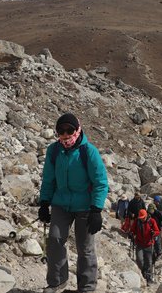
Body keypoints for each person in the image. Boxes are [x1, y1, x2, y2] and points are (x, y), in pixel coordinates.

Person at [38, 113, 109, 293]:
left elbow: (100, 182)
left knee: (84, 248)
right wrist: (44, 203)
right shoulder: (54, 151)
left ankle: (86, 288)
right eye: (61, 131)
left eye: (69, 130)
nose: (65, 134)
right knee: (54, 240)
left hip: (85, 207)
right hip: (61, 203)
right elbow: (48, 179)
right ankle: (57, 282)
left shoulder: (88, 151)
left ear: (77, 129)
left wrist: (96, 210)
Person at [130, 209, 159, 284]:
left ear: (146, 215)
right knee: (139, 260)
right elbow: (132, 229)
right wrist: (132, 233)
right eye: (141, 218)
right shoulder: (137, 221)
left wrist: (154, 233)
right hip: (139, 244)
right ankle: (143, 272)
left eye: (143, 217)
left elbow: (157, 231)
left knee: (149, 262)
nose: (142, 219)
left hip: (149, 244)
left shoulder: (151, 221)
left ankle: (148, 277)